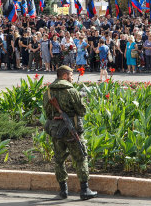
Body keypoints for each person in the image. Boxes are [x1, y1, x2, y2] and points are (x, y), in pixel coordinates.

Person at [43, 65, 98, 200]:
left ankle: (63, 191)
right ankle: (84, 190)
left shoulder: (48, 92)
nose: (72, 78)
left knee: (59, 160)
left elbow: (47, 113)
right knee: (81, 158)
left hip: (56, 131)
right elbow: (82, 111)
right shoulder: (71, 91)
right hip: (72, 131)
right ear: (65, 76)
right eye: (71, 76)